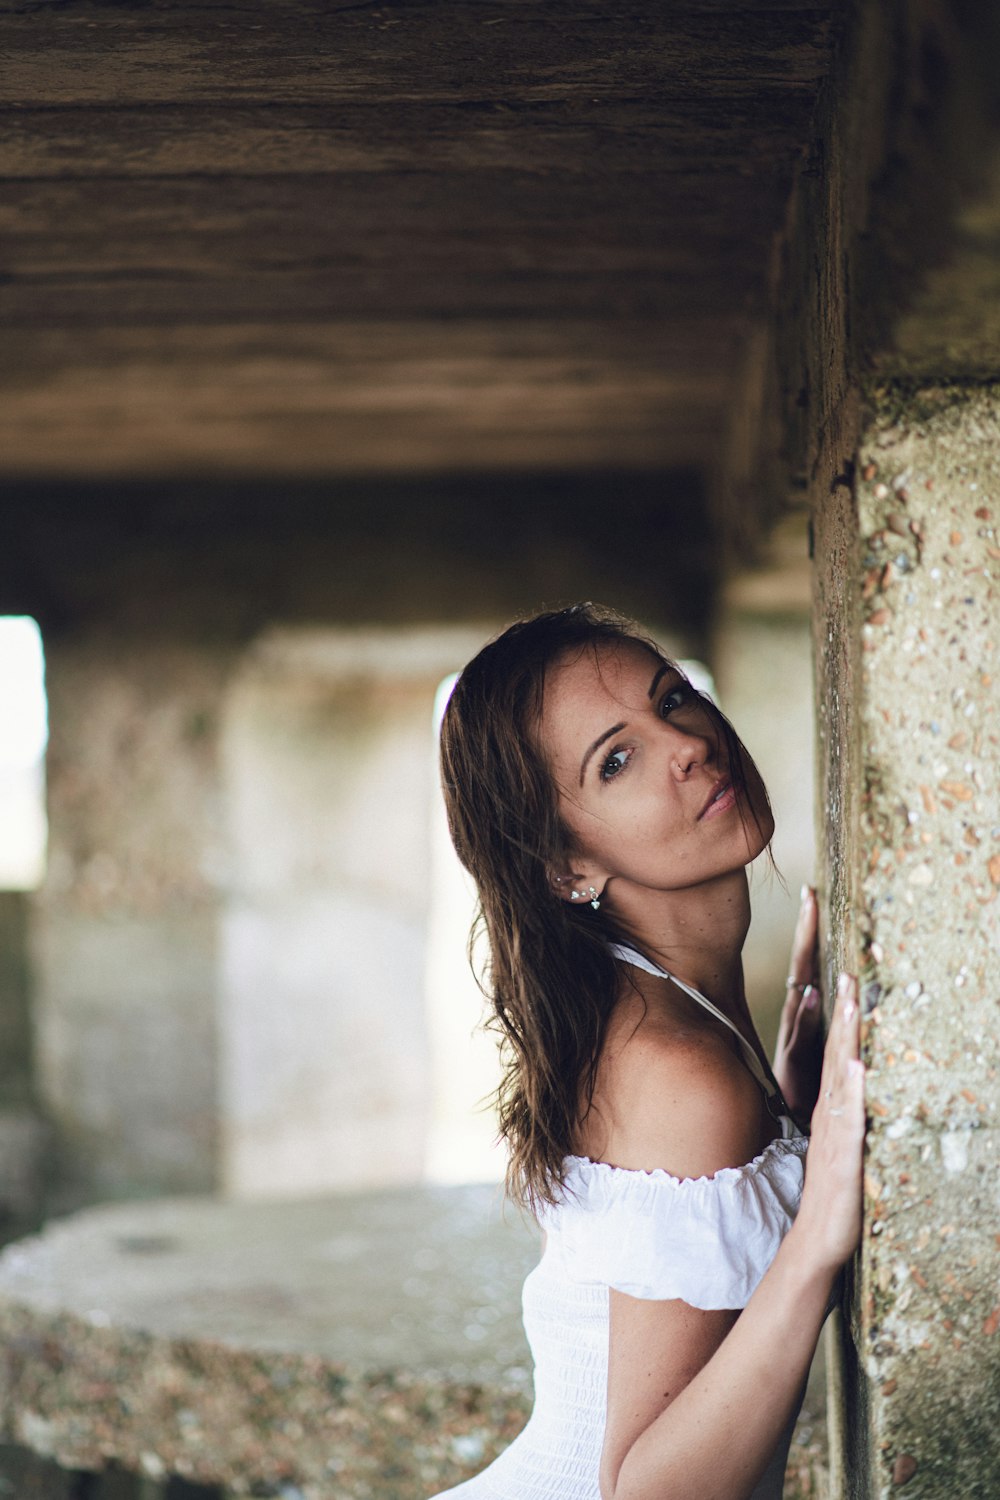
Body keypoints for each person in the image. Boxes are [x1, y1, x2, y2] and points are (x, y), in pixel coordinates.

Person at [430, 602, 865, 1500]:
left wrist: (781, 1118)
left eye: (674, 697)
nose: (688, 745)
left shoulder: (676, 1014)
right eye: (616, 760)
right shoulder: (674, 1068)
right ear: (566, 868)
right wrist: (816, 1235)